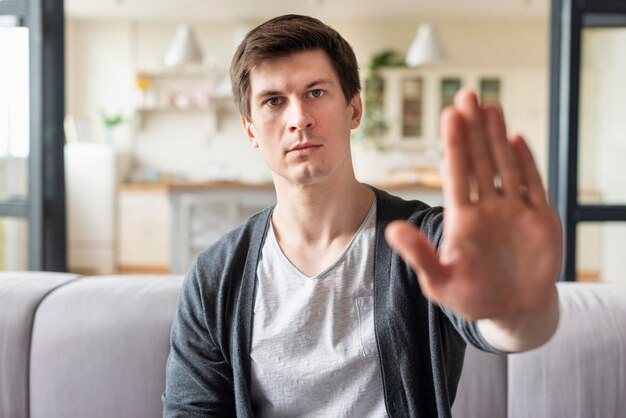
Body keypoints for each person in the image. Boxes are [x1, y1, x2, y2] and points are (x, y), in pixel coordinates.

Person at [162, 14, 562, 417]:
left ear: (354, 108)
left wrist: (518, 310)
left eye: (316, 92)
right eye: (273, 101)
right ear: (250, 130)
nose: (298, 118)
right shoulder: (214, 277)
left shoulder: (427, 241)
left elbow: (505, 326)